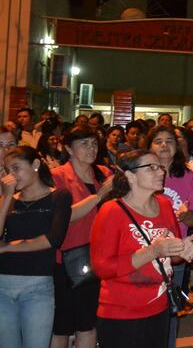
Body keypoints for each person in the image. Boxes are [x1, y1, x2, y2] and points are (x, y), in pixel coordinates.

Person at [90, 149, 193, 348]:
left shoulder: (165, 205)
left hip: (159, 308)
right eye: (151, 168)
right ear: (130, 176)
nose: (161, 172)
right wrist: (152, 251)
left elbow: (170, 259)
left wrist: (182, 250)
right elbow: (102, 267)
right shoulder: (112, 210)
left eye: (159, 167)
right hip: (121, 312)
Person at [0, 146, 72, 348]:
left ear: (36, 165)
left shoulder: (59, 197)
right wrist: (6, 197)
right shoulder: (8, 200)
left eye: (16, 168)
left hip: (37, 286)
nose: (11, 176)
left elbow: (52, 239)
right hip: (2, 285)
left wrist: (7, 247)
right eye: (7, 170)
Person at [51, 125, 114, 348]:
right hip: (69, 259)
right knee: (61, 324)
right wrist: (99, 196)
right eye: (84, 143)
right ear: (68, 148)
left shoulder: (105, 173)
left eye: (94, 143)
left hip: (100, 257)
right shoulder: (57, 176)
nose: (91, 148)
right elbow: (64, 217)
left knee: (88, 322)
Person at [145, 126, 193, 347]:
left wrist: (187, 216)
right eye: (158, 141)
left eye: (169, 140)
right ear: (149, 146)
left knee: (170, 310)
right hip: (144, 253)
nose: (164, 145)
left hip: (175, 254)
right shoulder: (141, 173)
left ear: (176, 146)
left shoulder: (187, 175)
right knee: (145, 309)